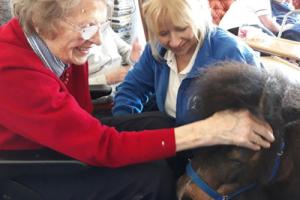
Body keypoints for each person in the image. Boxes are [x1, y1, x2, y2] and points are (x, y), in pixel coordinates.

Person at [0, 0, 274, 199]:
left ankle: (185, 188)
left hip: (59, 137)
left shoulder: (59, 44)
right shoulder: (12, 70)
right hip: (25, 162)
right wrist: (206, 130)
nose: (96, 39)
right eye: (86, 28)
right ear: (42, 23)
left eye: (99, 25)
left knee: (158, 122)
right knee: (151, 177)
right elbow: (102, 145)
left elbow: (83, 113)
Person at [112, 0, 260, 126]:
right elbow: (132, 89)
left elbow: (243, 121)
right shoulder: (156, 49)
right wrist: (125, 125)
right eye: (163, 33)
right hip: (175, 142)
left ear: (199, 17)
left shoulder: (230, 53)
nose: (175, 42)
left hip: (214, 152)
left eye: (182, 28)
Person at [88, 25, 142, 91]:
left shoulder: (105, 28)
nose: (100, 40)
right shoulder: (78, 44)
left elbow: (126, 51)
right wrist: (107, 79)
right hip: (103, 92)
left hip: (124, 82)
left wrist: (133, 57)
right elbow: (75, 86)